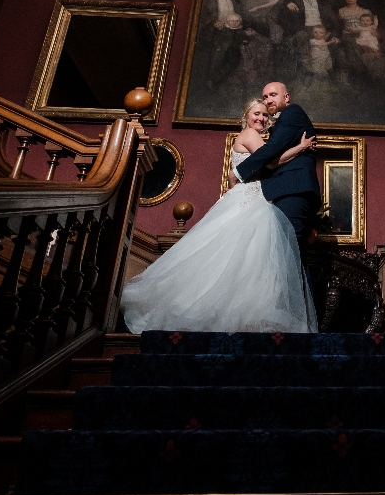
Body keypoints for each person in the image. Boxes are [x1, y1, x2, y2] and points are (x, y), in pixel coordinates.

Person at [120, 99, 319, 333]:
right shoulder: (251, 135)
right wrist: (302, 147)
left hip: (251, 197)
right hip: (251, 200)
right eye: (257, 113)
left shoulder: (249, 137)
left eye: (265, 115)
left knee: (239, 259)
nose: (261, 119)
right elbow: (272, 163)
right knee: (246, 257)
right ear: (246, 116)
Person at [235, 81, 320, 238]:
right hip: (283, 192)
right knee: (285, 247)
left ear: (286, 97)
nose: (268, 100)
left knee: (289, 245)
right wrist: (301, 147)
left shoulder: (293, 112)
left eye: (273, 95)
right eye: (265, 97)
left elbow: (271, 150)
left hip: (294, 189)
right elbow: (272, 161)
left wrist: (237, 173)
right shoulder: (270, 128)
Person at [276, 0, 340, 39]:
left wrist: (331, 32)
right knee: (301, 37)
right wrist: (288, 3)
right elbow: (282, 3)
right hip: (304, 29)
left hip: (321, 28)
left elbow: (333, 19)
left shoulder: (324, 2)